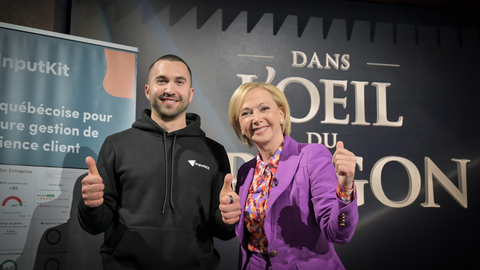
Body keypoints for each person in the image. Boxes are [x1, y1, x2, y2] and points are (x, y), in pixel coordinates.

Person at [77, 54, 241, 269]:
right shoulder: (117, 144)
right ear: (147, 90)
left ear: (190, 94)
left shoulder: (214, 152)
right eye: (161, 80)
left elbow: (221, 231)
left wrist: (228, 219)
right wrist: (91, 206)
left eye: (179, 82)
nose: (170, 90)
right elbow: (96, 224)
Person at [228, 82, 359, 269]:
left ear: (281, 114)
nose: (256, 118)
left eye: (264, 108)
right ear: (240, 126)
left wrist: (345, 188)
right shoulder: (245, 172)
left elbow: (338, 233)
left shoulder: (312, 155)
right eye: (246, 113)